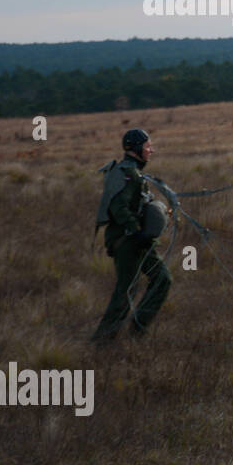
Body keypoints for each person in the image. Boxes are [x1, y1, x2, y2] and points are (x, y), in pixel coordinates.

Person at [91, 128, 171, 342]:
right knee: (127, 290)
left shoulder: (135, 173)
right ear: (136, 149)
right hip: (127, 241)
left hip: (140, 240)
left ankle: (138, 328)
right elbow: (119, 207)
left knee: (162, 278)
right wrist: (137, 231)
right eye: (147, 147)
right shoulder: (126, 173)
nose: (150, 151)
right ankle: (102, 340)